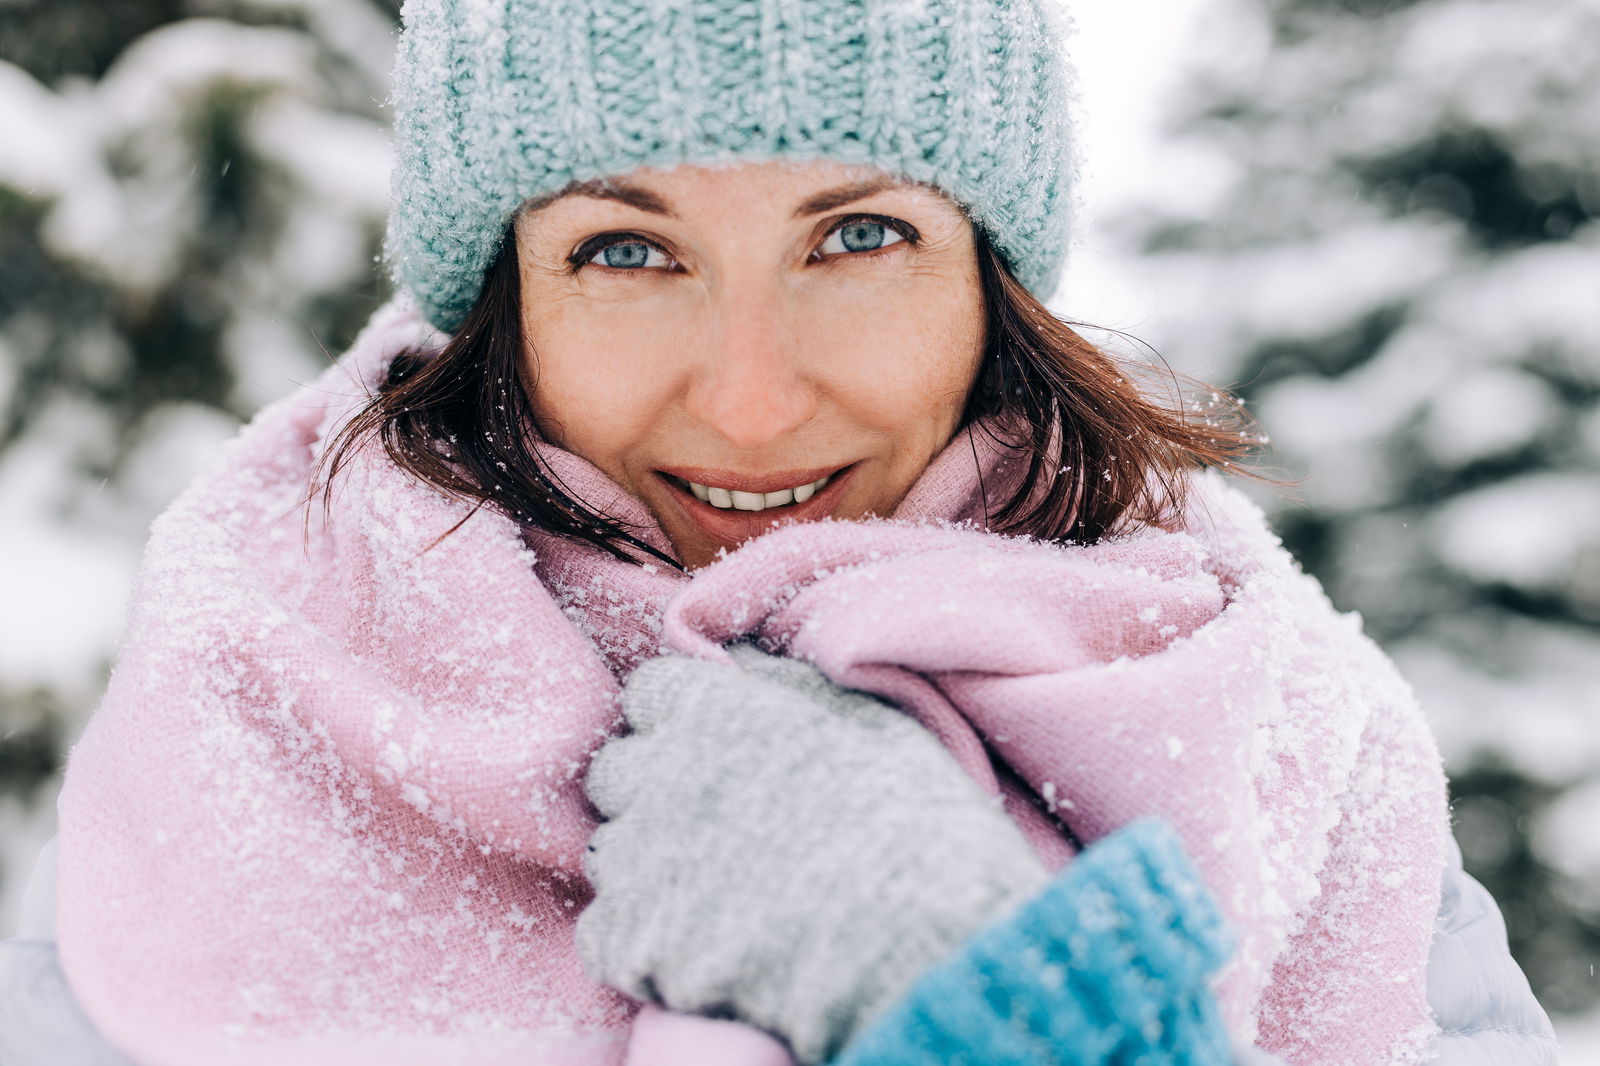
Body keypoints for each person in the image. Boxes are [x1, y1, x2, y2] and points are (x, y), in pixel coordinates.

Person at [0, 0, 1560, 1063]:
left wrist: (1024, 1017)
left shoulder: (1281, 726)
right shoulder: (245, 719)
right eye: (626, 250)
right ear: (501, 296)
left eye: (858, 235)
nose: (751, 405)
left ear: (990, 277)